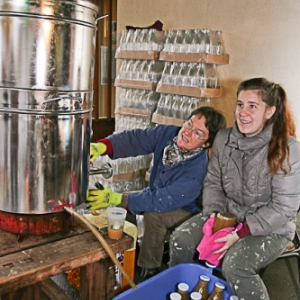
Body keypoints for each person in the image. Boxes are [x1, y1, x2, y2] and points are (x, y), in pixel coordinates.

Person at [169, 78, 300, 300]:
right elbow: (213, 182)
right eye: (240, 105)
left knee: (235, 266)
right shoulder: (223, 139)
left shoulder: (289, 150)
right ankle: (187, 292)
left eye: (252, 106)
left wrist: (240, 233)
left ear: (270, 111)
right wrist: (214, 218)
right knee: (180, 239)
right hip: (228, 214)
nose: (243, 112)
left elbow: (284, 207)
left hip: (271, 228)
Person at [87, 106, 226, 281]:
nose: (187, 133)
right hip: (160, 194)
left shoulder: (197, 170)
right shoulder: (169, 134)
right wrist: (103, 147)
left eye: (198, 133)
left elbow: (162, 201)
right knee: (123, 205)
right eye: (189, 124)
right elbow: (136, 140)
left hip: (187, 208)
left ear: (206, 144)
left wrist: (117, 198)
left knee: (154, 216)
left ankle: (149, 271)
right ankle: (126, 255)